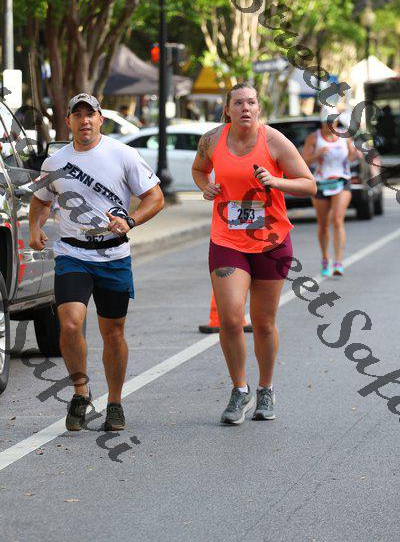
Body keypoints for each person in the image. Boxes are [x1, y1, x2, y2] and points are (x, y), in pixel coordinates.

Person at [29, 93, 164, 432]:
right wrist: (34, 227)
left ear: (101, 119)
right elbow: (40, 199)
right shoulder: (54, 163)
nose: (85, 121)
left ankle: (115, 403)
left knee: (113, 332)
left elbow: (155, 197)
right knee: (70, 323)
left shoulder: (123, 154)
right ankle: (80, 392)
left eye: (90, 114)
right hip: (73, 253)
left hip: (113, 255)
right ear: (68, 122)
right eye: (78, 115)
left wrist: (130, 221)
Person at [191, 82, 316, 425]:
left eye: (251, 103)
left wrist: (276, 182)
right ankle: (239, 389)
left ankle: (266, 388)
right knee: (231, 318)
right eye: (238, 103)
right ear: (227, 109)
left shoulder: (274, 141)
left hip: (271, 243)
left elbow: (309, 184)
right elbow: (199, 169)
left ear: (259, 108)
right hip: (227, 240)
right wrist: (206, 187)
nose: (245, 108)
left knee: (263, 323)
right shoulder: (212, 140)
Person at [302, 107, 359, 277]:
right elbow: (303, 161)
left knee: (338, 220)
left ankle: (338, 262)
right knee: (323, 225)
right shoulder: (314, 138)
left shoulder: (344, 136)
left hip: (342, 181)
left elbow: (351, 157)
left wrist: (356, 153)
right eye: (327, 122)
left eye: (332, 121)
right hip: (321, 183)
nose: (330, 125)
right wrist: (316, 155)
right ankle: (325, 257)